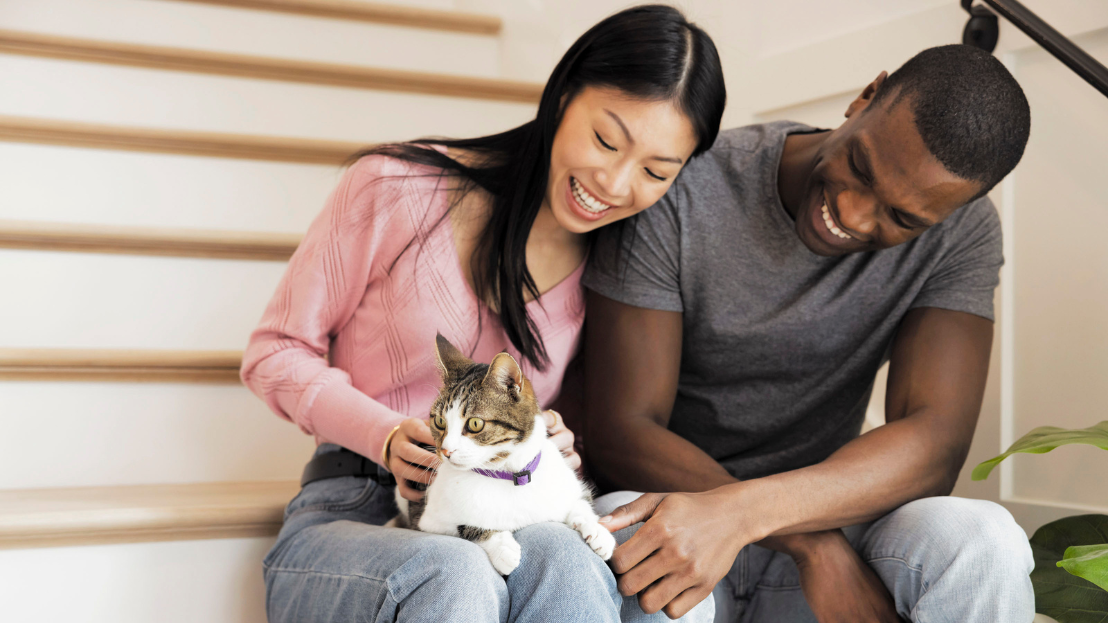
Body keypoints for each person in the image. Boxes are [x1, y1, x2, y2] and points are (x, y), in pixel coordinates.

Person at [240, 5, 726, 622]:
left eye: (657, 171)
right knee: (456, 570)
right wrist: (386, 436)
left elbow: (573, 425)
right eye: (607, 139)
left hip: (505, 504)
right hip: (354, 507)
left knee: (578, 555)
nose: (615, 183)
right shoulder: (395, 187)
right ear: (564, 94)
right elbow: (274, 353)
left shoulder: (619, 267)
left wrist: (554, 442)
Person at [581, 44, 1035, 622]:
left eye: (901, 220)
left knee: (984, 540)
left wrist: (759, 514)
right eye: (862, 168)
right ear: (865, 97)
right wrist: (808, 543)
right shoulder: (691, 184)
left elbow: (934, 441)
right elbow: (622, 430)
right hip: (681, 510)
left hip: (827, 528)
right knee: (628, 541)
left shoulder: (962, 234)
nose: (852, 212)